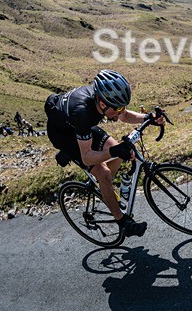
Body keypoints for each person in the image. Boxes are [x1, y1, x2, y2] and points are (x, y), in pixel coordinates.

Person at [44, 69, 165, 237]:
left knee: (114, 154)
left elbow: (124, 116)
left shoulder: (104, 100)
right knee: (104, 171)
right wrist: (114, 152)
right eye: (118, 108)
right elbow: (87, 158)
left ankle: (104, 188)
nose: (120, 111)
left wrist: (148, 118)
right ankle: (122, 223)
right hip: (63, 135)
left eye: (122, 106)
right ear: (102, 103)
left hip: (79, 126)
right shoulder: (83, 112)